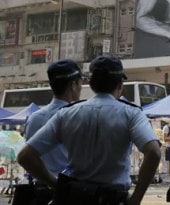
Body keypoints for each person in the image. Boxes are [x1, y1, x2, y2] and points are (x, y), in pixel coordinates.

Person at [17, 56, 161, 205]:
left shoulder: (66, 114)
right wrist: (136, 199)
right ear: (120, 84)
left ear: (91, 84)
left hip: (74, 198)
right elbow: (154, 152)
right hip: (113, 199)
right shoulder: (131, 113)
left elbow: (25, 156)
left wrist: (56, 184)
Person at [20, 59, 83, 204]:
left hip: (38, 194)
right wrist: (56, 184)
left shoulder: (34, 118)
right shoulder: (76, 117)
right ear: (73, 85)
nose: (81, 88)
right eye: (80, 83)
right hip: (67, 194)